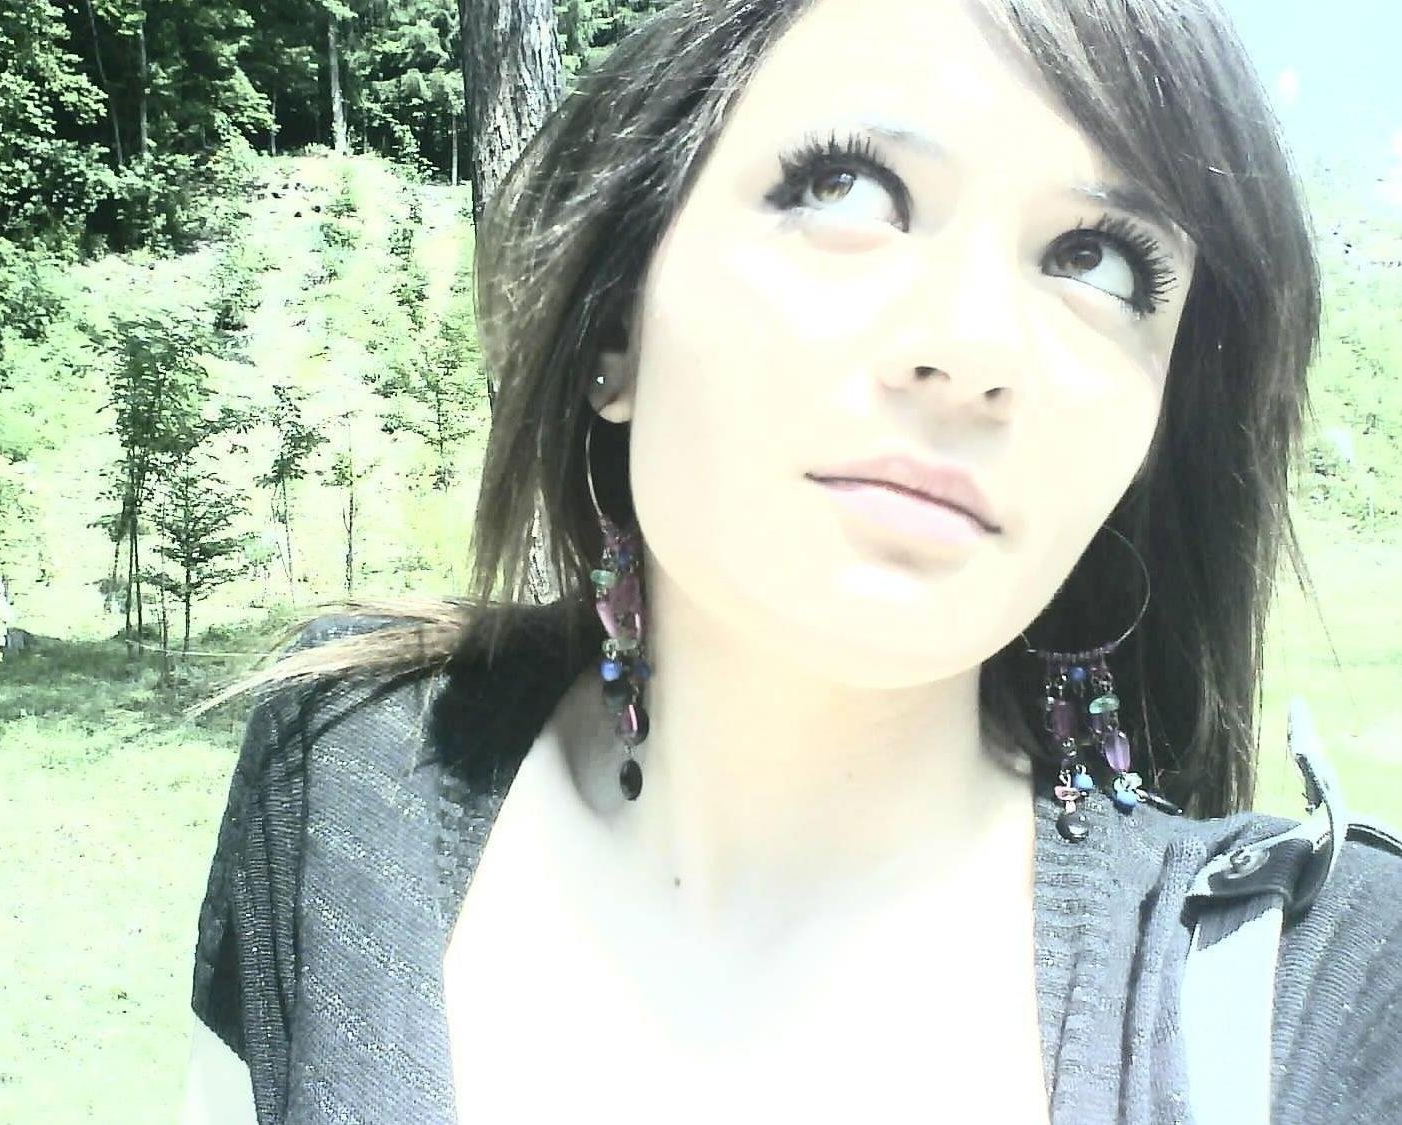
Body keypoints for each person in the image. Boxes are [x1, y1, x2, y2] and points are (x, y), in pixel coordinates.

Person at [180, 0, 1402, 1122]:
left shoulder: (1325, 998)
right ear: (616, 323)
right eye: (847, 187)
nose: (973, 346)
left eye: (1095, 261)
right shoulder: (347, 768)